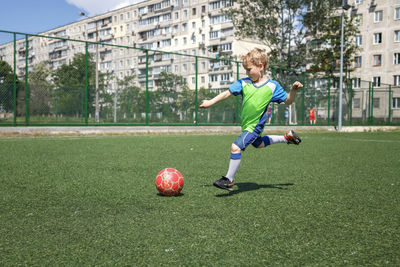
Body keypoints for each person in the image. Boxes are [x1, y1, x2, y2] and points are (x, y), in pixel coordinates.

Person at [199, 48, 303, 191]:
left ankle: (229, 179)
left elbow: (289, 101)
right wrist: (210, 102)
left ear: (261, 66)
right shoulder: (244, 83)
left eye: (249, 70)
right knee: (259, 144)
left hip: (254, 127)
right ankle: (287, 137)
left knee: (235, 147)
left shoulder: (272, 86)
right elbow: (226, 93)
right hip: (246, 125)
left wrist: (293, 90)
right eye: (245, 70)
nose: (247, 73)